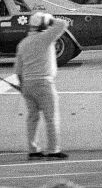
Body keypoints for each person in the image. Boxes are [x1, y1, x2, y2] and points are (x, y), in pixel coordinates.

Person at [15, 11, 70, 159]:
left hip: (27, 84)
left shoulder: (23, 43)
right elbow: (63, 24)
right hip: (44, 83)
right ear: (43, 25)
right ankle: (53, 150)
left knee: (32, 118)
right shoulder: (45, 38)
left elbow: (18, 71)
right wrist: (50, 19)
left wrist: (22, 87)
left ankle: (33, 151)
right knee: (51, 118)